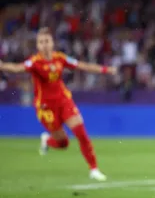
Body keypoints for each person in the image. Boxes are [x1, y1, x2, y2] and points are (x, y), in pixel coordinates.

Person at [0, 27, 116, 181]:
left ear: (52, 43)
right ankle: (47, 140)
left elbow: (81, 65)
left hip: (64, 101)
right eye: (41, 42)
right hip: (46, 108)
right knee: (63, 143)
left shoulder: (60, 58)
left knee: (81, 133)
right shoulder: (35, 62)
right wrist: (2, 66)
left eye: (47, 41)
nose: (44, 45)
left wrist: (105, 69)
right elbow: (17, 68)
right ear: (38, 45)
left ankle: (94, 169)